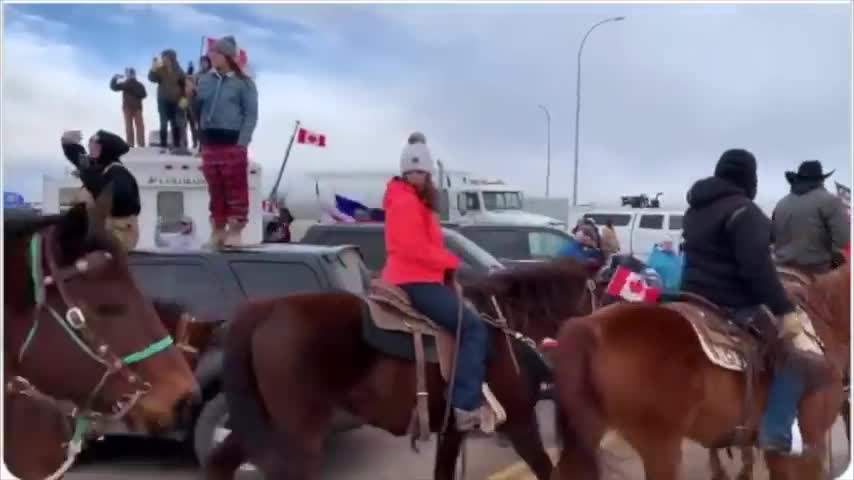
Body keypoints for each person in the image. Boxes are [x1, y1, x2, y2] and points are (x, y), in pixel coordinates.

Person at [680, 148, 812, 454]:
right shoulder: (744, 211)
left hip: (692, 296)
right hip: (731, 301)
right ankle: (777, 430)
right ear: (748, 177)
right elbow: (757, 270)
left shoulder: (695, 209)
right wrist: (784, 309)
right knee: (794, 352)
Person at [381, 132, 489, 431]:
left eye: (421, 171)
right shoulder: (405, 202)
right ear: (405, 172)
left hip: (423, 275)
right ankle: (464, 404)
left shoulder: (414, 199)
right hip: (413, 280)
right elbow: (413, 249)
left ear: (428, 173)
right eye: (412, 171)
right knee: (472, 327)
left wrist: (447, 267)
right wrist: (454, 263)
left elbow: (429, 245)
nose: (417, 175)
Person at [193, 35, 258, 248]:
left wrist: (243, 143)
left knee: (235, 189)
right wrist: (190, 96)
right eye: (211, 52)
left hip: (232, 142)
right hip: (210, 143)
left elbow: (250, 115)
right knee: (216, 189)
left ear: (227, 56)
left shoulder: (244, 83)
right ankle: (217, 229)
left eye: (215, 52)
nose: (210, 56)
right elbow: (196, 109)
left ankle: (235, 230)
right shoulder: (204, 79)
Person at [60, 129, 140, 250]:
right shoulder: (98, 167)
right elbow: (80, 158)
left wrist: (89, 178)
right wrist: (69, 143)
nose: (90, 146)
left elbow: (121, 201)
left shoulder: (118, 172)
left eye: (95, 144)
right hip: (104, 231)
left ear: (106, 149)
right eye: (90, 142)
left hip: (119, 233)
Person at [772, 160, 850, 274]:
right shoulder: (830, 201)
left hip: (779, 271)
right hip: (816, 272)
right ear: (821, 180)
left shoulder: (780, 204)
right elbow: (842, 241)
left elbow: (773, 237)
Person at [148, 49, 185, 152]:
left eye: (165, 57)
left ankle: (176, 145)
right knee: (163, 122)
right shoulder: (160, 69)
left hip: (175, 100)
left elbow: (184, 86)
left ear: (171, 58)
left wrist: (183, 103)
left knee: (175, 122)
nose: (163, 59)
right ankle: (163, 145)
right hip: (163, 100)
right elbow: (151, 78)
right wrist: (153, 68)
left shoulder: (179, 70)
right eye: (163, 57)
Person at [109, 68, 147, 148]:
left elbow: (143, 94)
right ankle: (130, 144)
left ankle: (141, 144)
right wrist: (114, 78)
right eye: (128, 74)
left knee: (139, 126)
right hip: (128, 108)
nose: (129, 75)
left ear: (133, 74)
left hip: (137, 108)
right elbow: (114, 87)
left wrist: (132, 87)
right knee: (129, 126)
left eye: (130, 73)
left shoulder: (138, 85)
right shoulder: (126, 84)